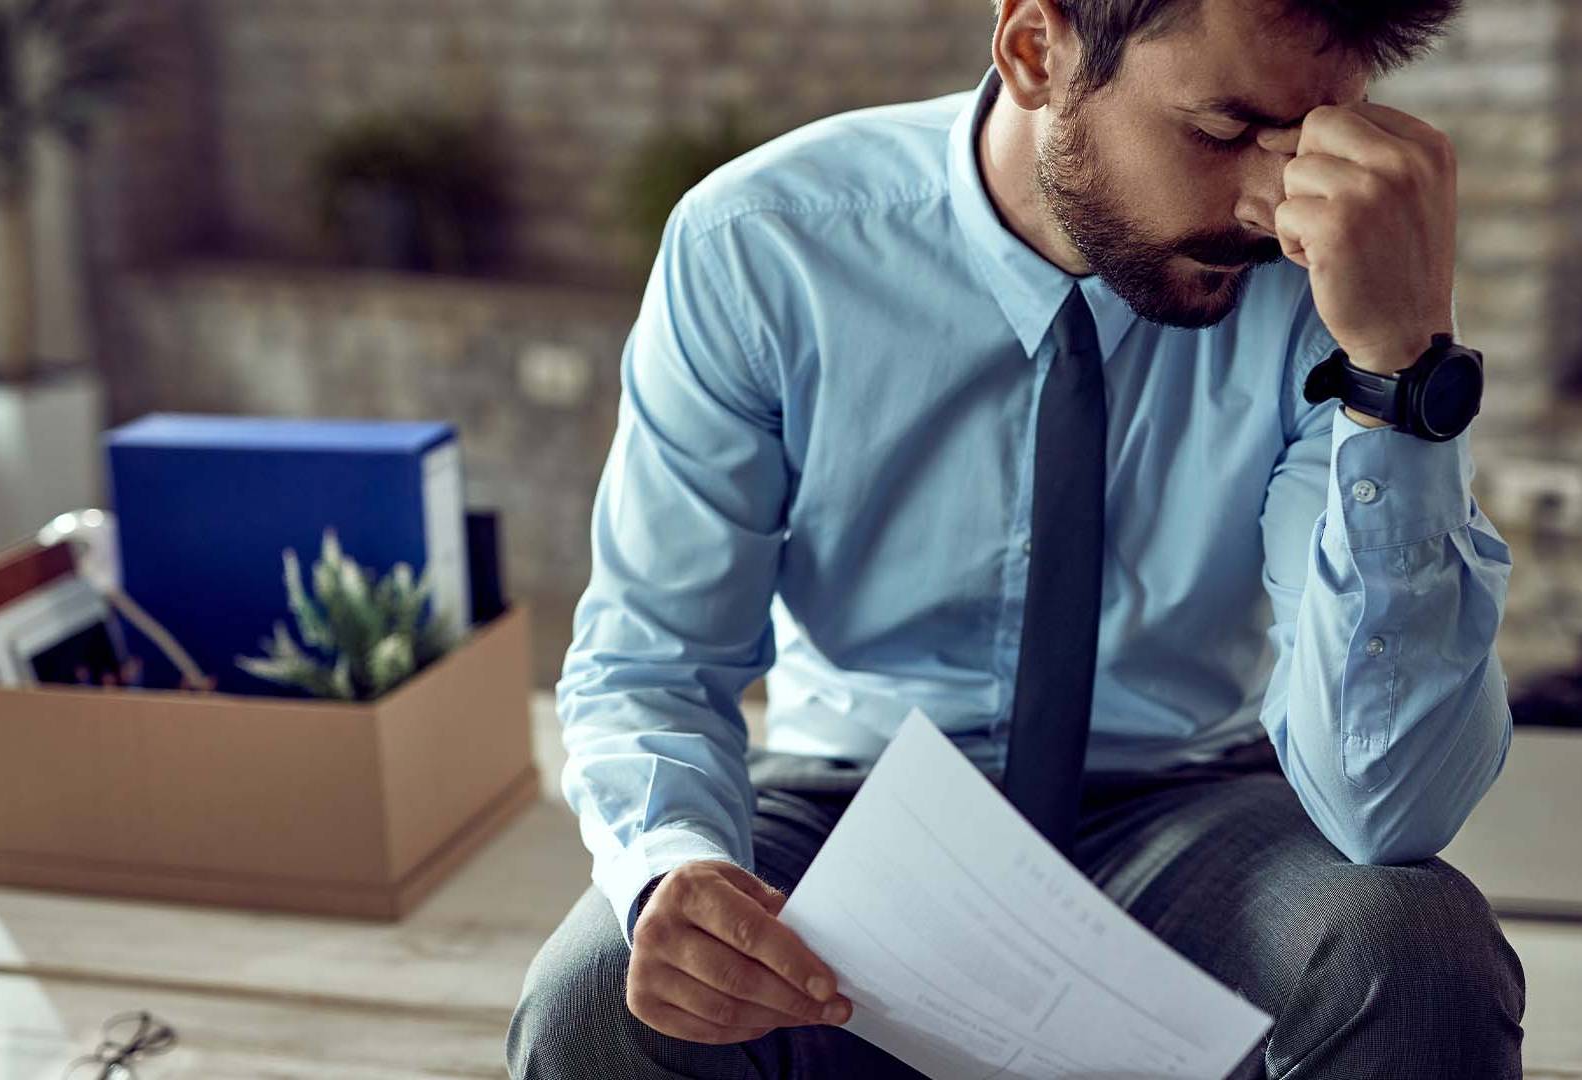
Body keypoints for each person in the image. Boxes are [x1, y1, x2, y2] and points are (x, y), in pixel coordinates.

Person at [507, 0, 1526, 1075]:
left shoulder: (1335, 281)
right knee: (598, 1002)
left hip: (1188, 807)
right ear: (1036, 50)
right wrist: (671, 867)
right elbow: (652, 659)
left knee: (1417, 955)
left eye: (1313, 137)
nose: (1274, 201)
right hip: (847, 799)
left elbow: (1391, 810)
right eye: (1224, 134)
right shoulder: (763, 251)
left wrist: (1399, 373)